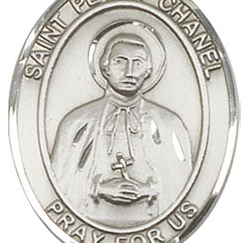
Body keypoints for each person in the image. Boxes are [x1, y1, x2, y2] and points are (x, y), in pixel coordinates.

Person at [50, 25, 193, 227]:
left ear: (148, 70)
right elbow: (60, 185)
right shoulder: (76, 122)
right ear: (105, 68)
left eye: (138, 63)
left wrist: (149, 190)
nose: (129, 72)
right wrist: (98, 188)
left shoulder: (169, 123)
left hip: (153, 223)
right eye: (120, 62)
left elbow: (182, 186)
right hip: (88, 222)